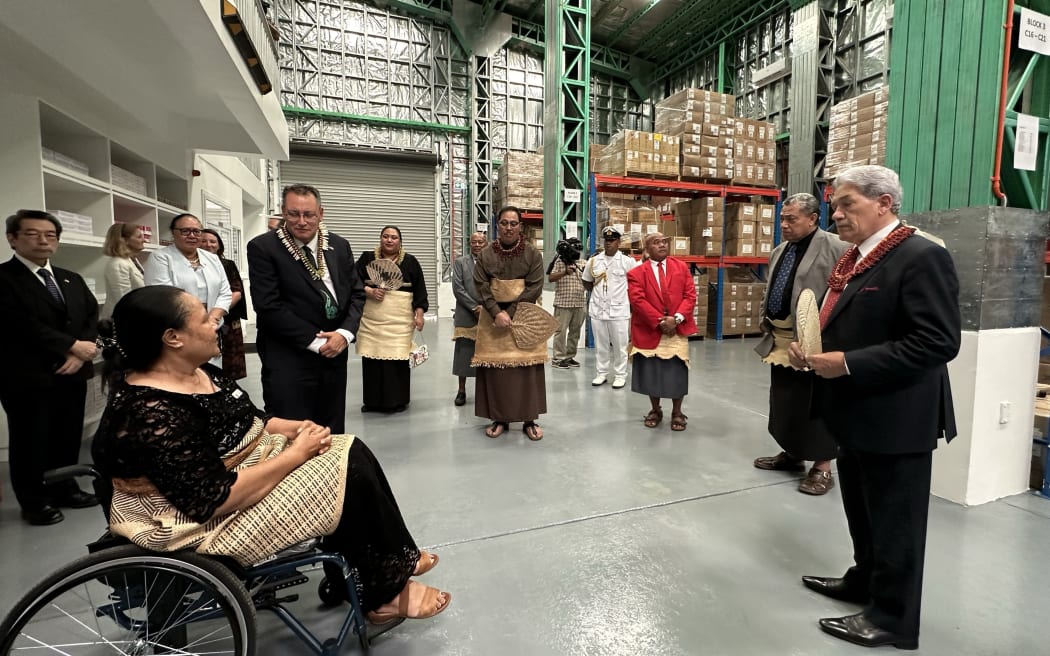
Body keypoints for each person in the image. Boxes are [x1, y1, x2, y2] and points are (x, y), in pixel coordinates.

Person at [91, 285, 451, 624]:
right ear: (173, 338)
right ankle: (385, 589)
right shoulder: (149, 412)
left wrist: (296, 428)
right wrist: (295, 455)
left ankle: (389, 562)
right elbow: (212, 500)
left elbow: (252, 420)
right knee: (346, 469)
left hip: (237, 470)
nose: (216, 320)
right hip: (192, 524)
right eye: (203, 317)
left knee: (346, 448)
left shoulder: (197, 372)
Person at [788, 165, 960, 649]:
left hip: (897, 416)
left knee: (896, 521)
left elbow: (937, 342)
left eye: (848, 204)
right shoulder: (855, 259)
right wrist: (811, 348)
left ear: (884, 203)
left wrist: (846, 363)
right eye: (834, 204)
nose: (836, 213)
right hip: (857, 411)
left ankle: (893, 618)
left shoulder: (921, 256)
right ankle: (864, 580)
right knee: (863, 510)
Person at [0, 209, 99, 525]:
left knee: (67, 435)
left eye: (50, 235)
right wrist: (71, 346)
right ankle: (34, 501)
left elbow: (88, 317)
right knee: (31, 439)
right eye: (32, 234)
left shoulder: (71, 278)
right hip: (29, 375)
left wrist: (81, 352)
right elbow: (18, 324)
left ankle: (65, 489)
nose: (43, 240)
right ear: (12, 239)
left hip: (73, 373)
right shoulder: (4, 279)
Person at [247, 184, 364, 434]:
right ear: (283, 212)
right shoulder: (263, 248)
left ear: (320, 213)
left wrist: (344, 334)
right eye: (293, 214)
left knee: (330, 427)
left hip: (335, 352)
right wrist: (316, 342)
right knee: (293, 429)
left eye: (308, 214)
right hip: (289, 356)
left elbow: (355, 294)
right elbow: (268, 306)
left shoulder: (339, 246)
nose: (301, 221)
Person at [753, 193, 849, 495]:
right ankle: (792, 452)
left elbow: (843, 296)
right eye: (782, 217)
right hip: (780, 341)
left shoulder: (837, 248)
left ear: (812, 218)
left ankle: (822, 467)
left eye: (791, 218)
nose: (784, 223)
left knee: (817, 403)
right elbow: (772, 288)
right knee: (786, 402)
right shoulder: (780, 250)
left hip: (815, 341)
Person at [472, 206, 547, 441]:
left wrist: (511, 312)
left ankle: (529, 419)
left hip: (524, 317)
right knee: (497, 372)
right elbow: (481, 285)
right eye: (504, 223)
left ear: (520, 227)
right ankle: (499, 418)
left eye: (513, 223)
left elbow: (535, 286)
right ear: (498, 225)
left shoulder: (533, 254)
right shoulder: (486, 255)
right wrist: (496, 312)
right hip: (492, 319)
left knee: (527, 371)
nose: (508, 227)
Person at [626, 232, 697, 432]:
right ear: (647, 249)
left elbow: (690, 296)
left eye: (665, 242)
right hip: (651, 329)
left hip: (677, 328)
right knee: (652, 371)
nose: (662, 245)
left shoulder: (681, 268)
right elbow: (637, 300)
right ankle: (655, 410)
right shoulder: (636, 273)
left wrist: (676, 319)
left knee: (677, 371)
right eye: (656, 243)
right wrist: (660, 322)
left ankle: (677, 412)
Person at [355, 226, 428, 413]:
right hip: (372, 320)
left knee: (397, 361)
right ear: (380, 239)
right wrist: (369, 290)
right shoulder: (367, 258)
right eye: (385, 236)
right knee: (372, 362)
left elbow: (420, 291)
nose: (389, 240)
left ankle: (398, 401)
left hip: (400, 321)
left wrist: (419, 314)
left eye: (393, 237)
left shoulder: (411, 262)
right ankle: (372, 402)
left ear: (400, 241)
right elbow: (351, 281)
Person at [143, 213, 231, 367]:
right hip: (179, 330)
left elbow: (225, 292)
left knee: (211, 378)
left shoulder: (212, 258)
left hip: (211, 328)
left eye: (197, 231)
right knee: (185, 379)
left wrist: (211, 320)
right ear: (173, 233)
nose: (192, 235)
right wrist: (196, 324)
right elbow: (164, 297)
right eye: (185, 231)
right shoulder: (160, 257)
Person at [581, 227, 637, 388]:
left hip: (619, 311)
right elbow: (586, 280)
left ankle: (620, 374)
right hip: (598, 309)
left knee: (620, 345)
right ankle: (602, 373)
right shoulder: (594, 260)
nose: (608, 244)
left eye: (612, 241)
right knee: (601, 344)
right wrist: (597, 293)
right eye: (606, 240)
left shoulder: (627, 262)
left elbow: (635, 284)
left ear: (619, 242)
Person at [200, 228, 248, 380]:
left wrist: (217, 312)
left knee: (229, 358)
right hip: (200, 319)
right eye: (204, 241)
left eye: (213, 241)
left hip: (227, 318)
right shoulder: (192, 265)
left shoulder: (227, 264)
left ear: (219, 245)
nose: (208, 245)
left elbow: (236, 291)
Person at [451, 232, 487, 406]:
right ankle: (461, 391)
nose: (477, 245)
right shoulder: (460, 263)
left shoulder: (491, 263)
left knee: (485, 355)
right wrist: (474, 307)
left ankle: (485, 390)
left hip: (487, 313)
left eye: (481, 242)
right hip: (466, 314)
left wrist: (485, 307)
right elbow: (458, 288)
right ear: (470, 244)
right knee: (463, 354)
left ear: (485, 243)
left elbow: (496, 286)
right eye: (474, 242)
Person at [547, 237, 586, 369]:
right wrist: (565, 272)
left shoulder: (582, 262)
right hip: (563, 302)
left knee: (575, 332)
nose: (578, 252)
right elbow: (551, 277)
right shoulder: (559, 261)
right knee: (560, 332)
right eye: (576, 249)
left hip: (579, 302)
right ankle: (558, 358)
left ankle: (569, 357)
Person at [100, 222, 145, 319]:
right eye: (139, 237)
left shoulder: (131, 260)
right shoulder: (118, 264)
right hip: (122, 321)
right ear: (124, 240)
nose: (143, 240)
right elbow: (124, 300)